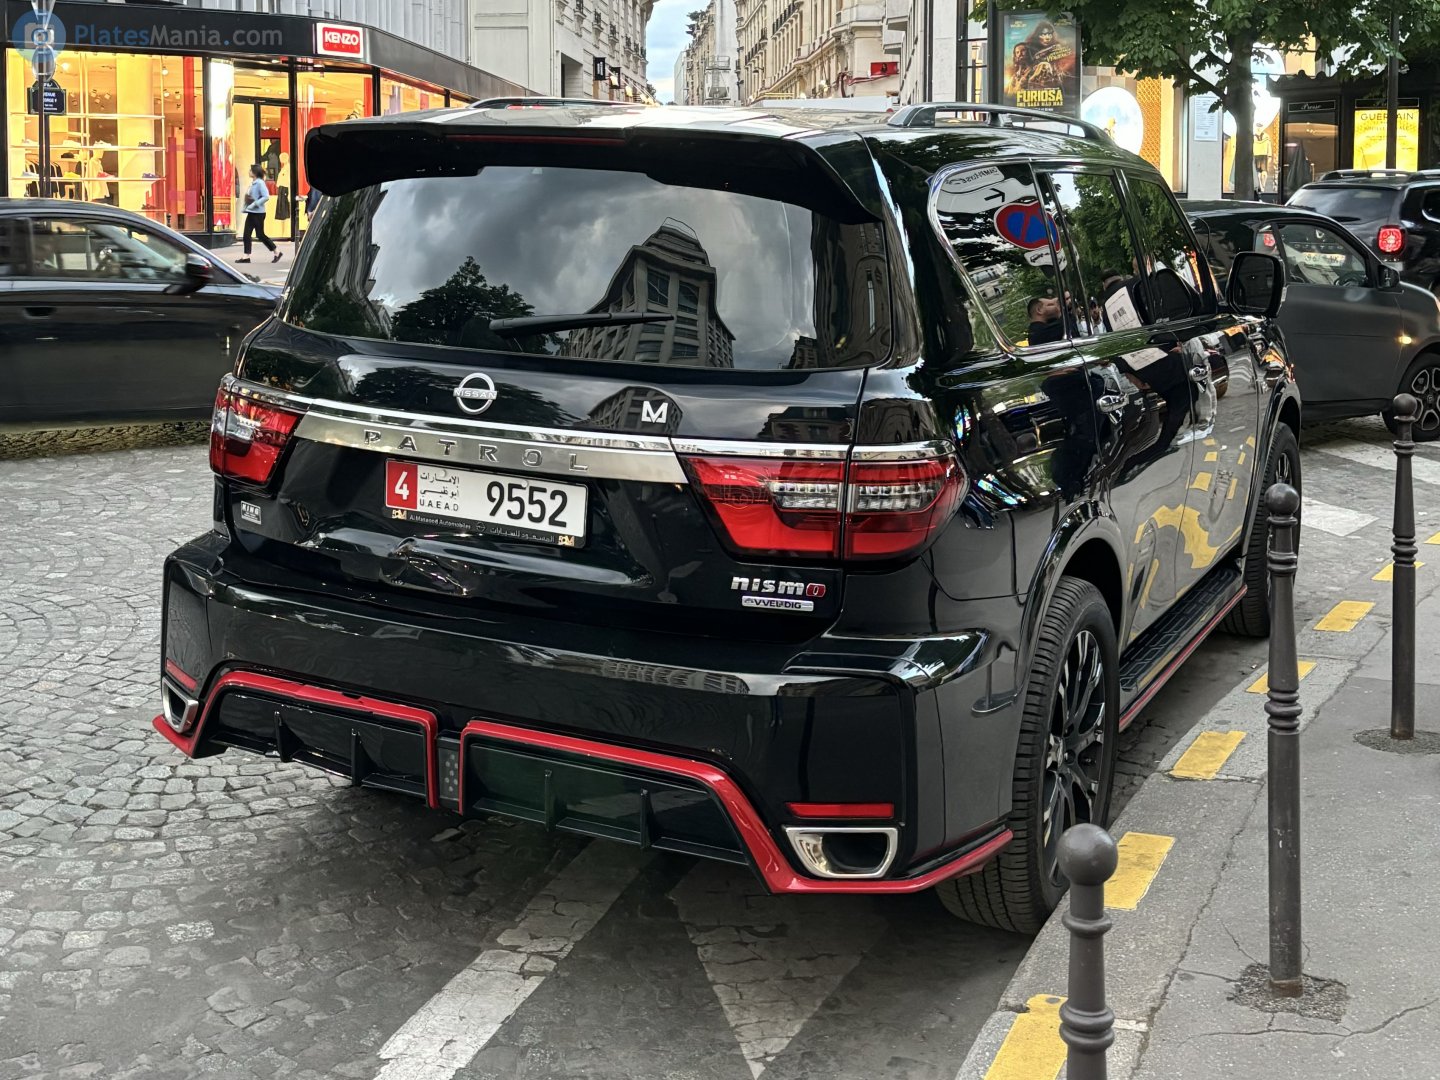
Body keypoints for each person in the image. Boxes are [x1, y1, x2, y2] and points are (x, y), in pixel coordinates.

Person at [239, 163, 281, 264]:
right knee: (247, 234)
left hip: (258, 213)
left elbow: (266, 196)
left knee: (260, 235)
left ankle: (276, 251)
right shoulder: (254, 183)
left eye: (250, 170)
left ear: (254, 173)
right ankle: (246, 256)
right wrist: (246, 207)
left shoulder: (260, 183)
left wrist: (255, 204)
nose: (249, 172)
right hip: (252, 212)